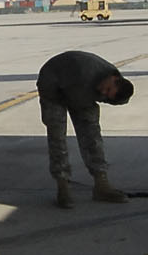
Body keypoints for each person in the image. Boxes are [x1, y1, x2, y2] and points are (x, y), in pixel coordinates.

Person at [35, 50, 134, 206]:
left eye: (107, 94)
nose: (103, 92)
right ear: (114, 79)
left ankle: (101, 184)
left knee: (92, 137)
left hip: (81, 90)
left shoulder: (114, 80)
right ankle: (63, 186)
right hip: (52, 85)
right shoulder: (84, 74)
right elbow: (79, 102)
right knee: (57, 136)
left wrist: (105, 97)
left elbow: (116, 99)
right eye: (107, 89)